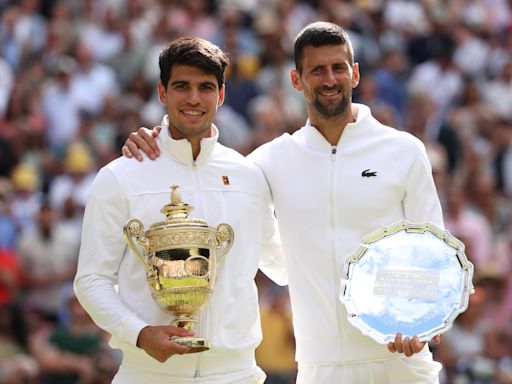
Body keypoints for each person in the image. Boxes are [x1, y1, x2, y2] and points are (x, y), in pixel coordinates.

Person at [123, 22, 444, 383]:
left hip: (401, 361)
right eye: (317, 70)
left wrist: (423, 323)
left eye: (338, 67)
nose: (329, 79)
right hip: (319, 369)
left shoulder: (404, 151)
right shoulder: (268, 162)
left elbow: (434, 251)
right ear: (296, 80)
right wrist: (157, 142)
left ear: (354, 74)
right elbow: (201, 166)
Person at [74, 37, 285, 384]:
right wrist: (140, 333)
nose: (193, 98)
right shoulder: (120, 175)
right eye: (182, 86)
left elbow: (283, 264)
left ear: (220, 95)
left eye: (205, 87)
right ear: (162, 92)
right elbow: (91, 280)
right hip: (147, 373)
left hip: (236, 374)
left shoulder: (249, 176)